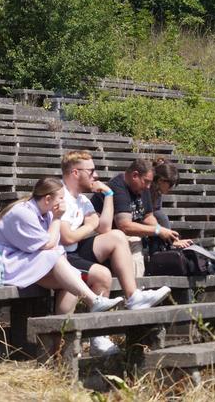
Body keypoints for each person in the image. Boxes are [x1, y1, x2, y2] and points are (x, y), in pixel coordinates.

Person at [60, 151, 172, 355]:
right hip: (56, 256)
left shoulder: (83, 201)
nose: (95, 176)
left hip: (75, 250)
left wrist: (108, 195)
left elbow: (103, 229)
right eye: (91, 171)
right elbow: (67, 238)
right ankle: (63, 346)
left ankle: (132, 298)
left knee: (117, 237)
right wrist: (88, 226)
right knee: (100, 274)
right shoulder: (61, 196)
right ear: (75, 172)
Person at [0, 177, 124, 317]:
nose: (64, 202)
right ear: (48, 199)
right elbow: (49, 244)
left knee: (73, 278)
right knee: (56, 258)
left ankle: (61, 332)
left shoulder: (46, 212)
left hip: (21, 260)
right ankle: (93, 301)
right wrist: (57, 218)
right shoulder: (23, 213)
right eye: (61, 198)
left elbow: (51, 244)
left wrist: (55, 218)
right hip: (1, 265)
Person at [91, 158, 181, 276]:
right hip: (98, 234)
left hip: (122, 235)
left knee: (136, 240)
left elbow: (148, 217)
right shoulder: (119, 187)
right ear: (135, 175)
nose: (149, 186)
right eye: (146, 181)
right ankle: (132, 289)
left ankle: (137, 287)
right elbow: (125, 226)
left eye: (150, 182)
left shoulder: (142, 187)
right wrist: (158, 230)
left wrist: (167, 234)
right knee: (133, 240)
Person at [148, 158, 193, 253]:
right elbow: (155, 215)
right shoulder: (146, 188)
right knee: (160, 217)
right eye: (170, 184)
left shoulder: (157, 192)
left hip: (150, 226)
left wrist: (172, 238)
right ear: (161, 180)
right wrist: (172, 240)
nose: (171, 188)